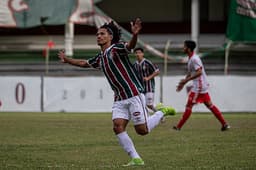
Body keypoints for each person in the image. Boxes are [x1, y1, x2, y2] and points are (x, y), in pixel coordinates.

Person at [58, 18, 175, 166]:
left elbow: (130, 46)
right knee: (117, 126)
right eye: (97, 34)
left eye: (102, 33)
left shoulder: (116, 49)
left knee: (142, 131)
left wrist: (135, 35)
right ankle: (135, 158)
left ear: (110, 37)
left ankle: (161, 112)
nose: (98, 36)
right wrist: (67, 60)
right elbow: (83, 63)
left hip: (133, 94)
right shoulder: (100, 58)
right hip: (119, 99)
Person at [174, 40, 230, 131]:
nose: (182, 48)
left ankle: (178, 127)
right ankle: (224, 124)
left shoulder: (194, 59)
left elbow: (199, 72)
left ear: (188, 49)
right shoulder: (191, 58)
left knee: (189, 106)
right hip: (201, 85)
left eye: (184, 47)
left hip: (199, 87)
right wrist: (183, 83)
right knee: (210, 105)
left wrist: (187, 80)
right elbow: (190, 73)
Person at [133, 47, 160, 112]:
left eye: (139, 53)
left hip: (149, 87)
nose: (138, 54)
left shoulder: (147, 62)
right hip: (140, 88)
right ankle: (146, 119)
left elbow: (157, 71)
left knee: (149, 104)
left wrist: (148, 78)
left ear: (143, 54)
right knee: (142, 105)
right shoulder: (134, 65)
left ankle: (160, 113)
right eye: (136, 53)